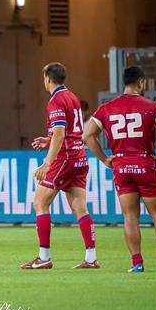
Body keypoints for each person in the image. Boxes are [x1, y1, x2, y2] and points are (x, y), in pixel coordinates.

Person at [85, 66, 156, 273]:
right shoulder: (151, 106)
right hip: (145, 164)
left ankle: (137, 263)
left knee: (130, 217)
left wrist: (105, 159)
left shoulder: (106, 108)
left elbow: (88, 136)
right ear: (141, 82)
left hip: (122, 167)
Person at [21, 62, 99, 270]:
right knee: (79, 208)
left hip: (65, 158)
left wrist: (47, 162)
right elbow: (67, 130)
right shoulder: (73, 97)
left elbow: (60, 133)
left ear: (47, 78)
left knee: (40, 203)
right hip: (80, 157)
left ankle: (44, 257)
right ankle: (91, 258)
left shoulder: (55, 100)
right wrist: (48, 140)